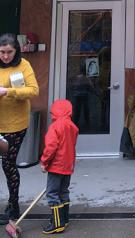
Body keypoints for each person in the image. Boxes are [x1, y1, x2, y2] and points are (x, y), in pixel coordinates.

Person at [0, 33, 39, 224]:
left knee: (8, 164)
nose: (5, 56)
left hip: (15, 125)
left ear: (16, 51)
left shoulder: (23, 65)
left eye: (9, 52)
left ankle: (13, 205)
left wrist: (8, 91)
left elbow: (33, 90)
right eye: (1, 52)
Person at [40, 99, 79, 234]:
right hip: (68, 165)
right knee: (63, 192)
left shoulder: (55, 127)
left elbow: (51, 147)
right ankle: (64, 219)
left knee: (52, 194)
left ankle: (57, 224)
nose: (51, 116)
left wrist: (44, 162)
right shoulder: (72, 127)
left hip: (56, 166)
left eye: (52, 113)